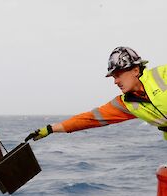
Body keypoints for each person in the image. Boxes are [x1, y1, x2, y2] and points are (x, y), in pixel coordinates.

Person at [25, 46, 167, 142]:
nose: (116, 82)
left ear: (135, 70)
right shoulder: (127, 103)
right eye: (113, 77)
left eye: (118, 75)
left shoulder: (162, 75)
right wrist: (50, 129)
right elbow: (90, 119)